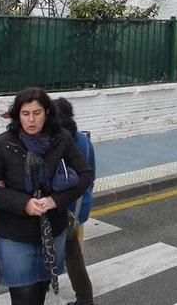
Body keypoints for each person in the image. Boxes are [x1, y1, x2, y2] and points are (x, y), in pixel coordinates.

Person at [0, 87, 95, 305]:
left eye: (37, 113)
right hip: (14, 234)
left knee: (40, 291)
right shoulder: (4, 143)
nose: (31, 120)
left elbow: (86, 174)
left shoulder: (62, 139)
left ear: (47, 113)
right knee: (23, 298)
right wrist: (24, 203)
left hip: (53, 231)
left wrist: (55, 201)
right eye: (25, 114)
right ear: (17, 115)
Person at [53, 98, 96, 305]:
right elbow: (92, 172)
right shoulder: (83, 139)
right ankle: (85, 298)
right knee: (75, 250)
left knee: (66, 252)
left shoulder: (59, 140)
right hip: (82, 203)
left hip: (64, 206)